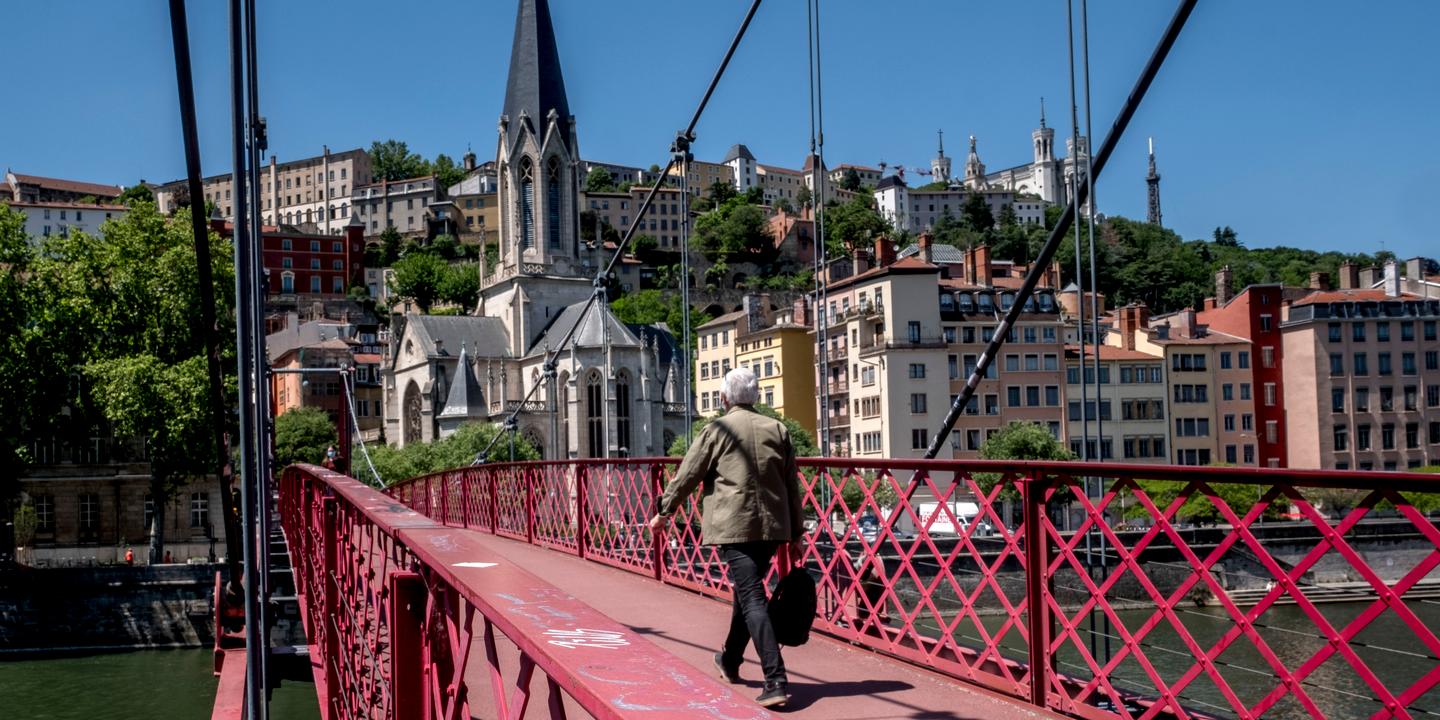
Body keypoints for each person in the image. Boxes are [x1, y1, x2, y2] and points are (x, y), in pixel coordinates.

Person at [648, 367, 804, 708]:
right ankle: (730, 661)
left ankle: (775, 678)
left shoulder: (716, 429)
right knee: (745, 595)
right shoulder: (777, 428)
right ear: (757, 397)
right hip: (773, 526)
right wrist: (797, 532)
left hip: (736, 526)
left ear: (723, 399)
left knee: (751, 598)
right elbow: (792, 484)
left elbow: (688, 474)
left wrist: (664, 511)